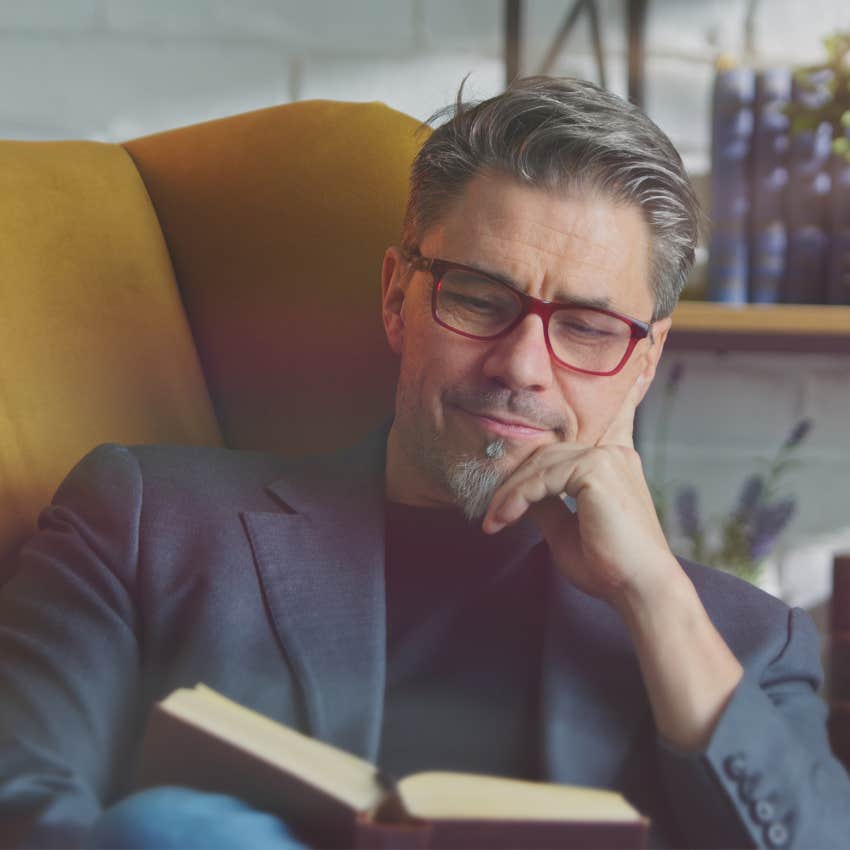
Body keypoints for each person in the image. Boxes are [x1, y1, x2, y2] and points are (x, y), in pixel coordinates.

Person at [1, 76, 848, 850]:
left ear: (646, 359)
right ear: (396, 296)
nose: (521, 366)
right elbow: (18, 799)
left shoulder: (741, 642)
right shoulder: (147, 520)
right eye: (479, 297)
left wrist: (656, 597)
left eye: (588, 327)